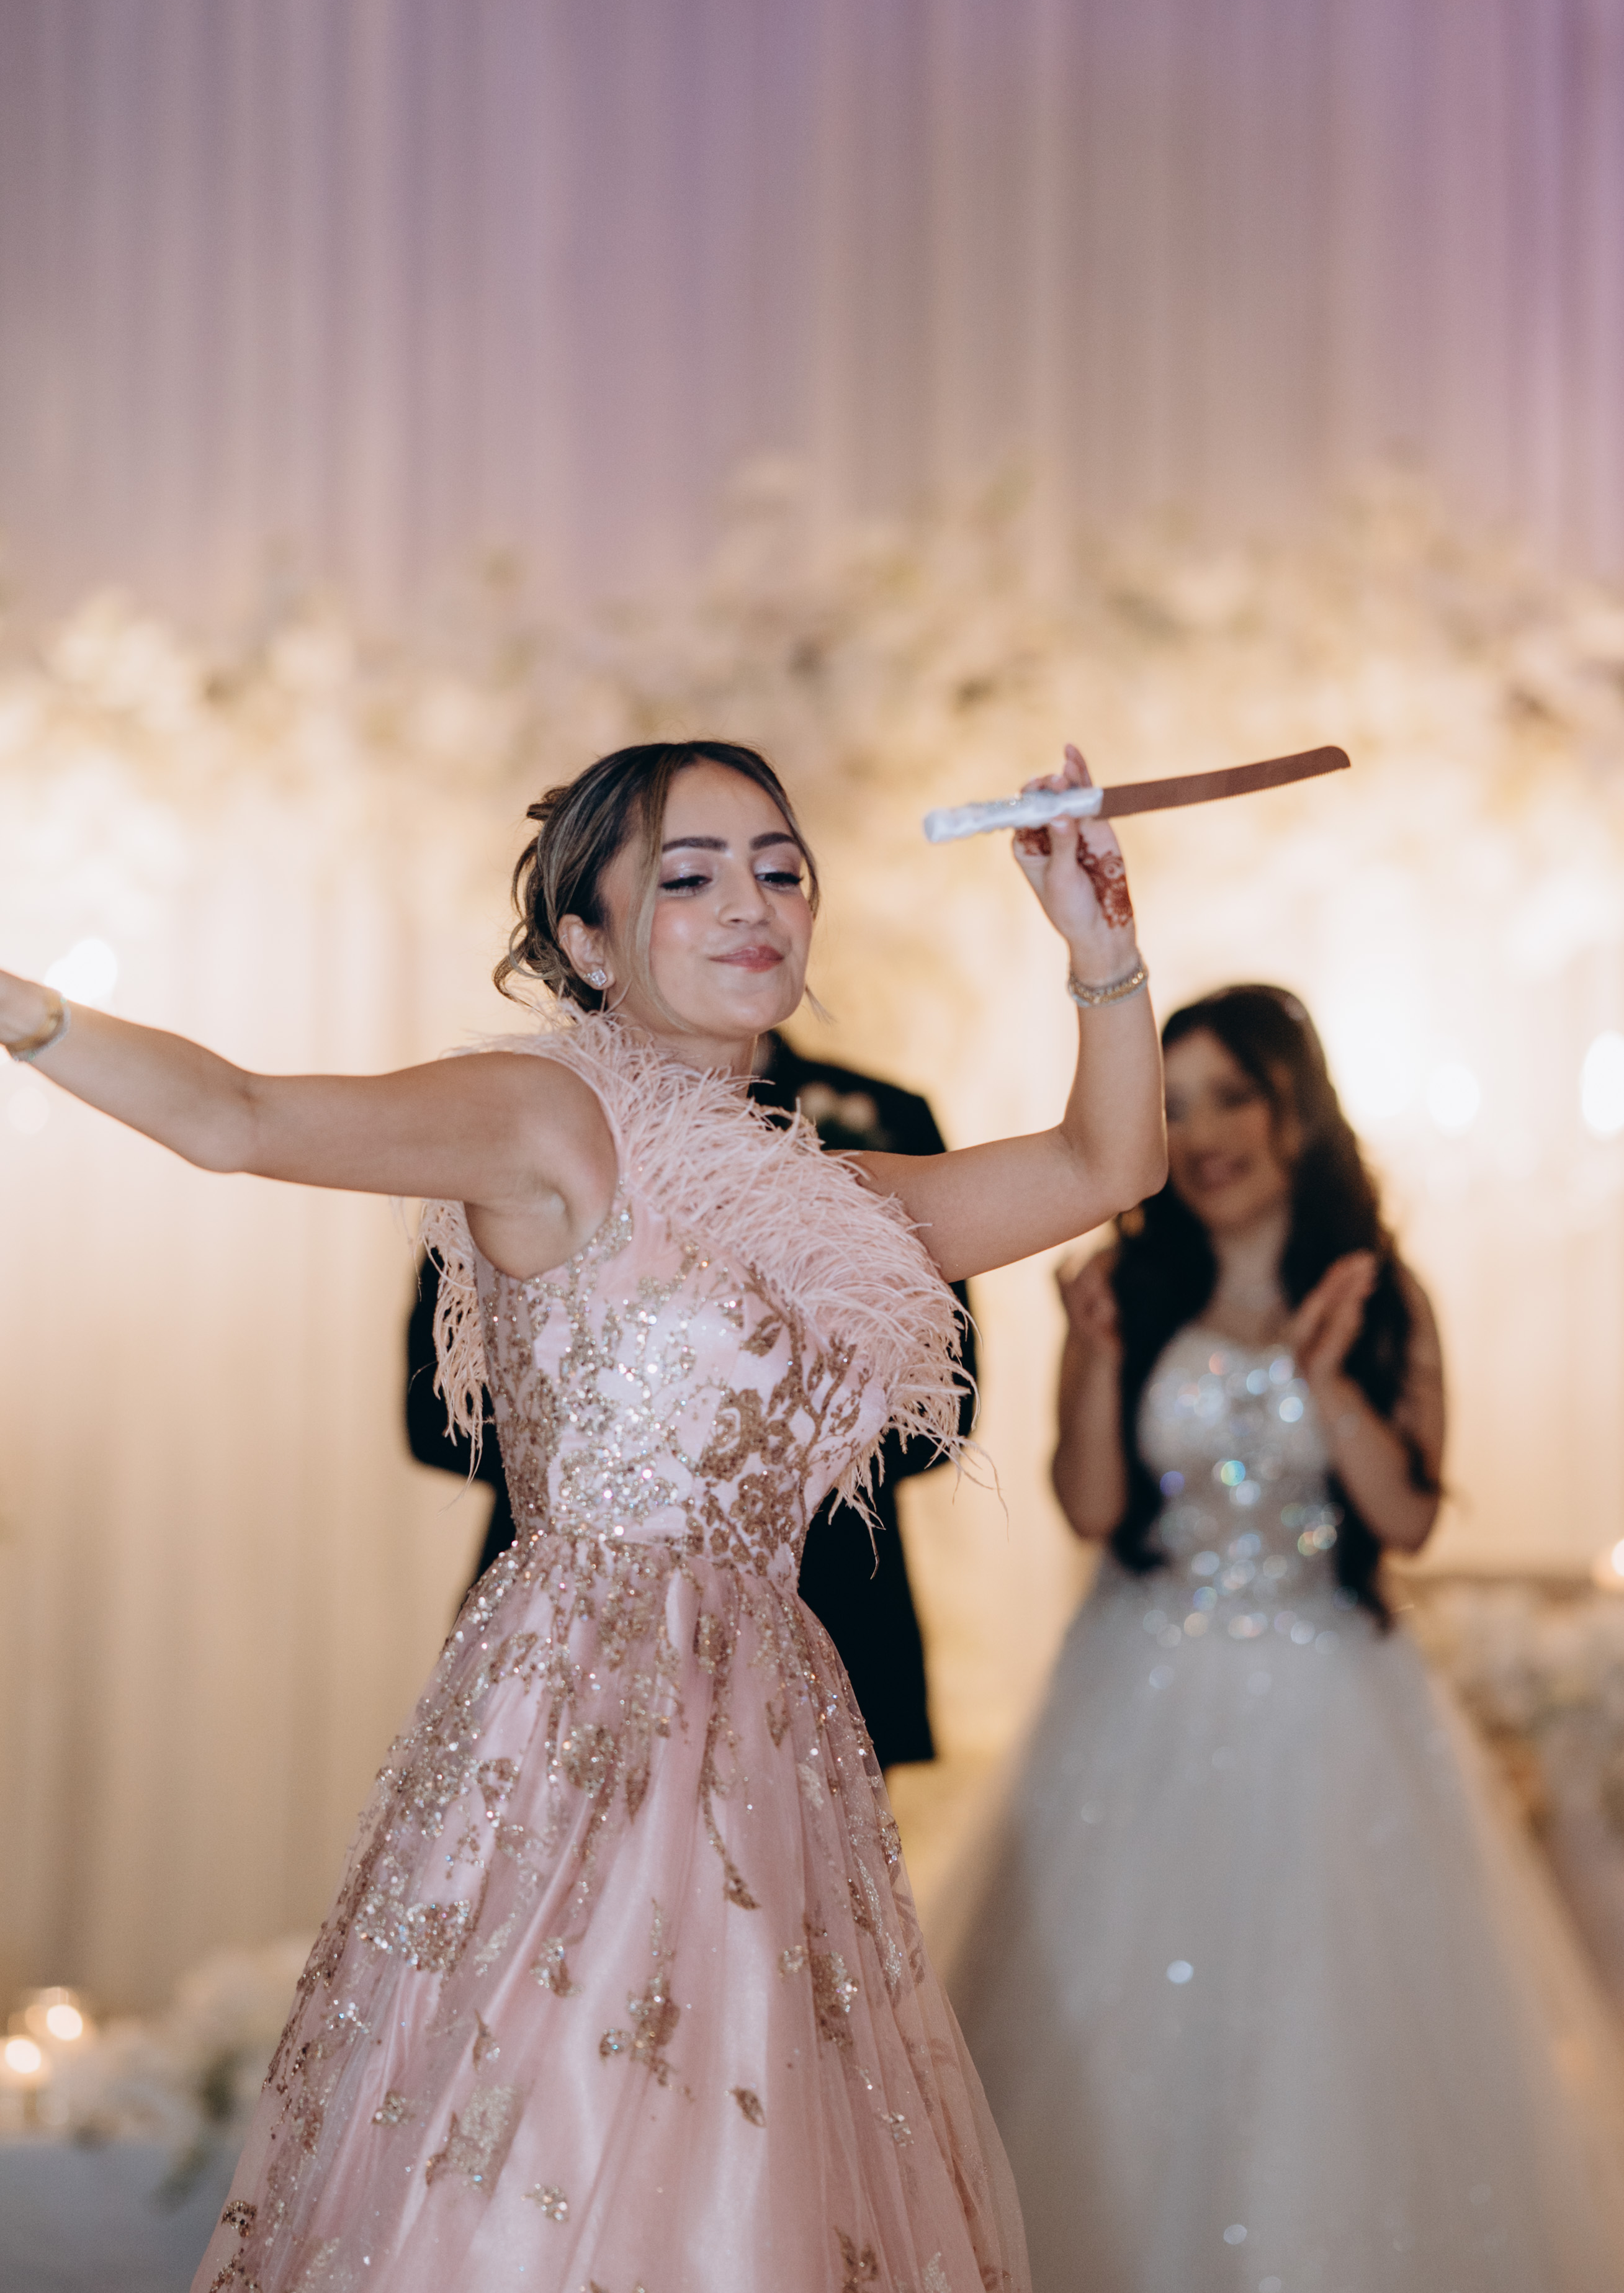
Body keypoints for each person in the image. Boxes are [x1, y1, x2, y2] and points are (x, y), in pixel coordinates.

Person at [1, 737, 1164, 2293]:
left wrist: (1097, 944)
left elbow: (1106, 1158)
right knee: (549, 2125)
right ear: (588, 942)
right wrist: (28, 1012)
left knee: (747, 2155)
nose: (751, 903)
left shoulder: (842, 1197)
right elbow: (237, 1111)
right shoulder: (545, 1117)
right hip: (584, 1706)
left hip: (773, 1719)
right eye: (689, 876)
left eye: (780, 868)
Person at [950, 984, 1624, 2293]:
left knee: (1330, 2029)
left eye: (1229, 1097)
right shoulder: (1128, 1287)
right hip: (1142, 1679)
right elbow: (1087, 1506)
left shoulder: (1379, 1295)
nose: (1201, 1134)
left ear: (1294, 1112)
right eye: (1173, 1106)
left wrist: (1326, 1377)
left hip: (1331, 1695)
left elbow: (1406, 1517)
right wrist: (1092, 1357)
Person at [406, 1033, 976, 1771]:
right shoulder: (528, 1117)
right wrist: (632, 1484)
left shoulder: (885, 1118)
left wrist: (763, 1489)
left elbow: (944, 1406)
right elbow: (434, 1412)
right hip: (573, 1630)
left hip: (827, 1605)